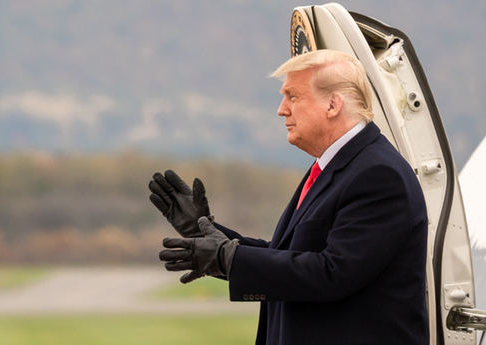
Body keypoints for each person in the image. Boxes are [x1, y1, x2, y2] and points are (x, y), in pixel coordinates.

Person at [149, 49, 429, 345]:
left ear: (333, 104)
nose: (282, 109)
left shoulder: (379, 175)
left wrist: (230, 258)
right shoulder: (336, 166)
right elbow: (289, 256)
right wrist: (210, 237)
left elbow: (331, 274)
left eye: (292, 96)